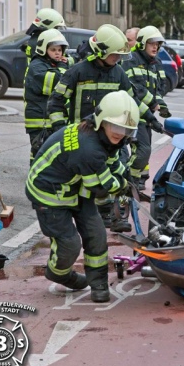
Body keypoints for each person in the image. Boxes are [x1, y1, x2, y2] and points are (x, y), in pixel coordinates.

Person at [27, 90, 139, 303]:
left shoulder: (104, 137)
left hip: (76, 188)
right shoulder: (88, 148)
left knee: (96, 235)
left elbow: (111, 161)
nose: (120, 133)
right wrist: (122, 185)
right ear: (101, 121)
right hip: (49, 193)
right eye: (116, 126)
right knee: (69, 245)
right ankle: (58, 273)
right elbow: (100, 186)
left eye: (126, 129)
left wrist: (122, 174)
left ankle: (99, 285)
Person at [48, 24, 163, 230]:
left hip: (113, 137)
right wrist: (60, 129)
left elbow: (133, 100)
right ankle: (97, 213)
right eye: (114, 55)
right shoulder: (78, 72)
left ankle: (118, 215)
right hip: (83, 139)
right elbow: (55, 102)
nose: (117, 59)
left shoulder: (118, 73)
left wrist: (150, 119)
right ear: (101, 52)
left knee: (121, 173)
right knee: (89, 181)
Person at [122, 26, 171, 195]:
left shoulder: (156, 63)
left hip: (146, 114)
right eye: (152, 43)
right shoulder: (130, 60)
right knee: (143, 150)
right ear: (142, 43)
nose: (155, 47)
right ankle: (127, 180)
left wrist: (161, 104)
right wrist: (153, 104)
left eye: (157, 44)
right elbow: (136, 89)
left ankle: (134, 182)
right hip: (132, 113)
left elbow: (161, 87)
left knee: (143, 150)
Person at [23, 29, 69, 164]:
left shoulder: (51, 64)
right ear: (43, 49)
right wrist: (63, 66)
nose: (57, 53)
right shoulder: (37, 67)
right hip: (40, 121)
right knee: (40, 153)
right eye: (53, 49)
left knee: (49, 154)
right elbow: (59, 83)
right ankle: (36, 180)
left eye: (59, 50)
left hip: (48, 120)